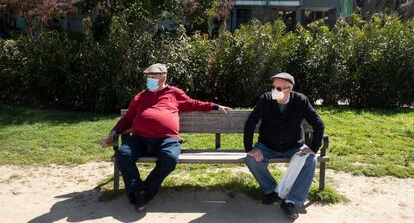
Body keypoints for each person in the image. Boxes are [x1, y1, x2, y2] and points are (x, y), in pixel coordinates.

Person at [100, 63, 232, 212]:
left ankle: (147, 191)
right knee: (122, 154)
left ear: (164, 77)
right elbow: (127, 119)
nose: (149, 79)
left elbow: (194, 103)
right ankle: (137, 190)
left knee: (169, 159)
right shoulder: (140, 96)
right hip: (139, 138)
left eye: (153, 77)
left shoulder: (174, 93)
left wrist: (215, 106)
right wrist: (114, 132)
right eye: (148, 77)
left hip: (167, 140)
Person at [244, 72, 324, 219]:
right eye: (274, 87)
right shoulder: (266, 99)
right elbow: (250, 123)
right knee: (251, 160)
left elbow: (318, 124)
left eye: (279, 89)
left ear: (289, 90)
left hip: (294, 147)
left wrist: (313, 148)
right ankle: (272, 190)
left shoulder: (300, 100)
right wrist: (250, 149)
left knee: (310, 160)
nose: (275, 91)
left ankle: (291, 200)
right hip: (266, 146)